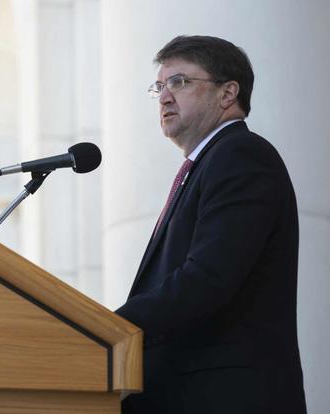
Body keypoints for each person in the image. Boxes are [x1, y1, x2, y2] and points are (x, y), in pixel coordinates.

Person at [116, 35, 307, 413]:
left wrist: (105, 325)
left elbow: (207, 279)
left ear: (227, 93)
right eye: (159, 86)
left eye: (179, 82)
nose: (165, 96)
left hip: (226, 396)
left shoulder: (241, 155)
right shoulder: (206, 166)